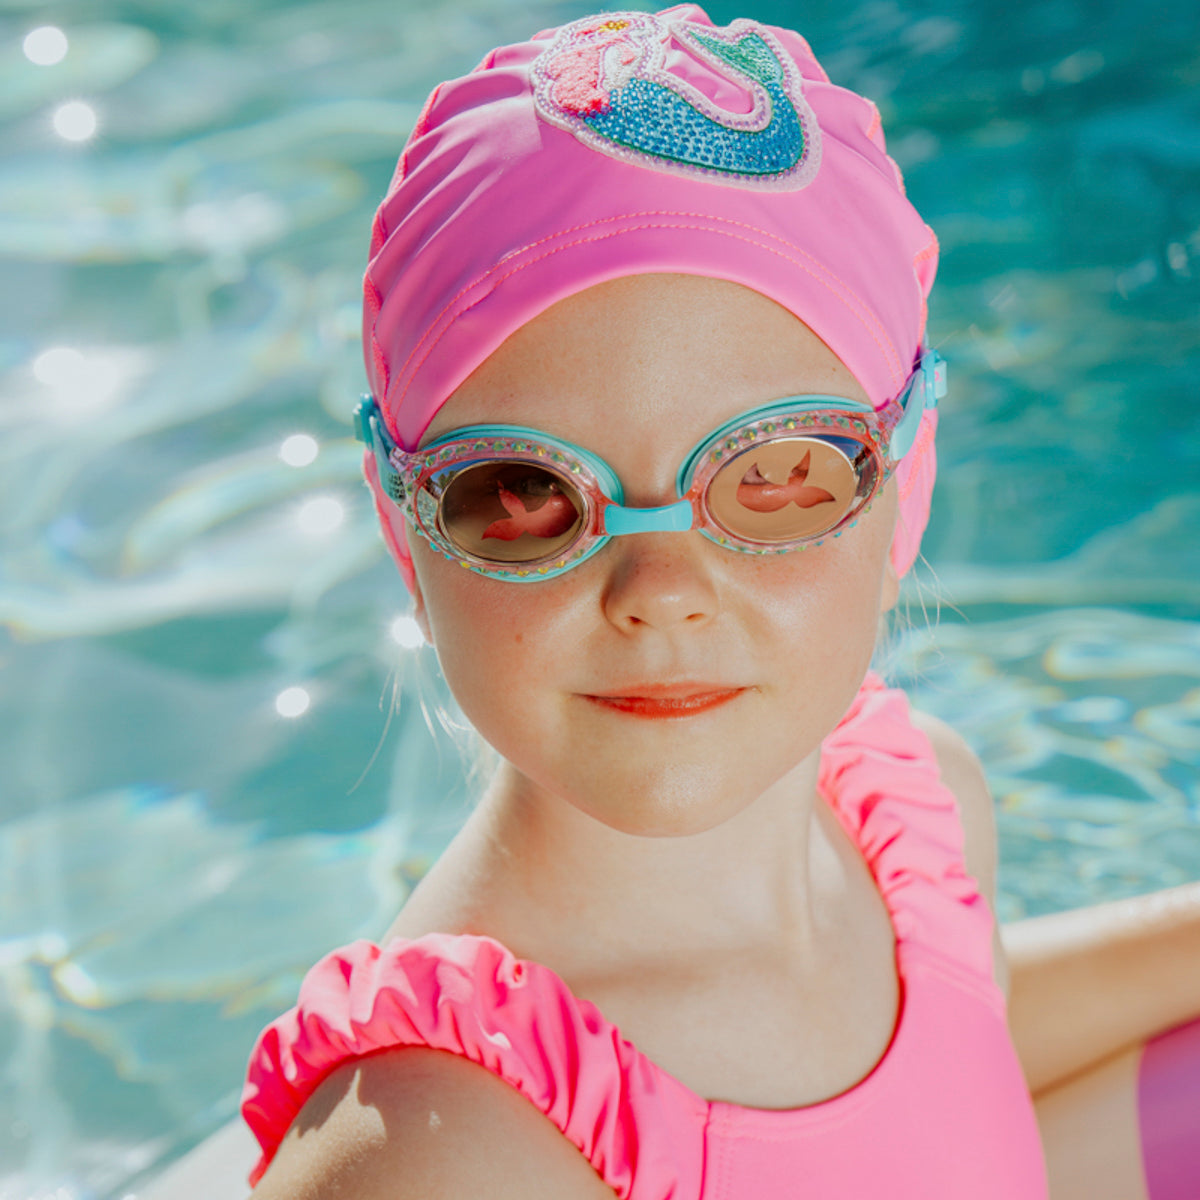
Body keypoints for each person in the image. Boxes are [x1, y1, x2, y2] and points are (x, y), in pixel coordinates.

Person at [240, 7, 1200, 1197]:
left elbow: (955, 1062)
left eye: (776, 477)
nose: (662, 593)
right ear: (405, 531)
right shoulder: (447, 1151)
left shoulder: (907, 821)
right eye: (528, 490)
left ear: (910, 486)